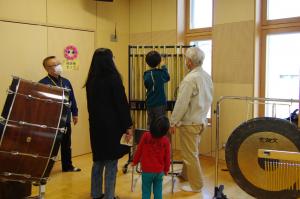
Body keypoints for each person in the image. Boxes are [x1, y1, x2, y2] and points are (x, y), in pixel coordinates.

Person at [84, 48, 133, 199]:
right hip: (112, 126)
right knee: (111, 162)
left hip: (96, 126)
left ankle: (96, 194)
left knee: (98, 160)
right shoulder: (113, 78)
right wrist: (128, 125)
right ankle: (109, 196)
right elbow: (121, 104)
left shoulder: (91, 80)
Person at [169, 47, 213, 193]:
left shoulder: (189, 79)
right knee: (191, 152)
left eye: (185, 59)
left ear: (189, 62)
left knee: (190, 155)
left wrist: (173, 121)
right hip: (201, 121)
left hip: (190, 123)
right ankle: (185, 175)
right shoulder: (206, 76)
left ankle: (197, 186)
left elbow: (181, 103)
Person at [39, 56, 81, 172]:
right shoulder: (43, 83)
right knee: (49, 146)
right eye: (54, 65)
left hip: (65, 119)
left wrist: (75, 113)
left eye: (58, 63)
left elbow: (72, 98)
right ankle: (43, 170)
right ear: (47, 68)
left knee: (66, 144)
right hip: (51, 121)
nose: (58, 66)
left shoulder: (66, 81)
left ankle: (68, 166)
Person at [132, 116, 171, 199]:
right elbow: (167, 157)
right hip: (159, 171)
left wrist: (135, 161)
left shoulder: (145, 136)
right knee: (158, 191)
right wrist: (166, 169)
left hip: (146, 170)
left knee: (146, 191)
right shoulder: (166, 141)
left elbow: (139, 150)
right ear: (165, 131)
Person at [144, 51, 170, 128]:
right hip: (160, 103)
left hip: (149, 103)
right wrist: (163, 66)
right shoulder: (160, 73)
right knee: (160, 125)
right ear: (159, 62)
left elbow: (146, 85)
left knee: (150, 125)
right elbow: (167, 77)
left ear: (147, 62)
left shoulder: (146, 74)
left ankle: (150, 139)